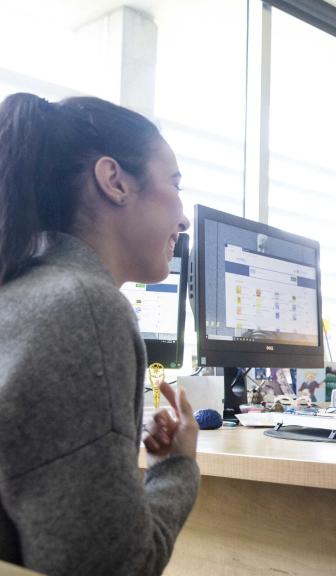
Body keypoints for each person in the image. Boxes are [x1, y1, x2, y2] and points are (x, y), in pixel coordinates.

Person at [0, 93, 199, 574]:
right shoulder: (85, 307)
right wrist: (177, 468)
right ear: (114, 181)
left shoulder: (24, 289)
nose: (185, 217)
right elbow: (114, 567)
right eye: (173, 183)